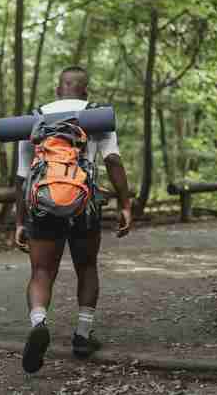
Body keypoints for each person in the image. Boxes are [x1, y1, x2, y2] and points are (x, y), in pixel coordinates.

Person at [14, 66, 133, 373]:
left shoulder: (34, 119)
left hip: (41, 204)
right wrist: (126, 203)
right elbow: (113, 161)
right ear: (85, 91)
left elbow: (23, 175)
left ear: (57, 90)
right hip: (85, 205)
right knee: (86, 266)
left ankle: (39, 322)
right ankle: (82, 334)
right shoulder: (97, 116)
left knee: (41, 270)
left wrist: (19, 221)